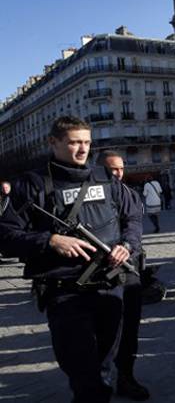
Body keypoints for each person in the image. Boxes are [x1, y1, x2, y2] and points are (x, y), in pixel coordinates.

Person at [0, 116, 142, 403]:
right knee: (79, 364)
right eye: (74, 142)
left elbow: (133, 218)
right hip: (64, 290)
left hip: (108, 284)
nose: (82, 149)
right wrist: (50, 240)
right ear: (53, 142)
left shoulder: (107, 180)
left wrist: (127, 245)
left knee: (106, 357)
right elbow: (5, 234)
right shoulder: (31, 185)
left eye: (87, 142)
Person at [96, 150, 150, 401]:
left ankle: (126, 376)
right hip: (99, 272)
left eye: (120, 169)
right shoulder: (93, 196)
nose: (117, 173)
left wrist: (128, 245)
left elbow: (134, 225)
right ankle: (100, 378)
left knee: (129, 328)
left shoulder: (130, 194)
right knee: (104, 330)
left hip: (129, 268)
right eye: (111, 170)